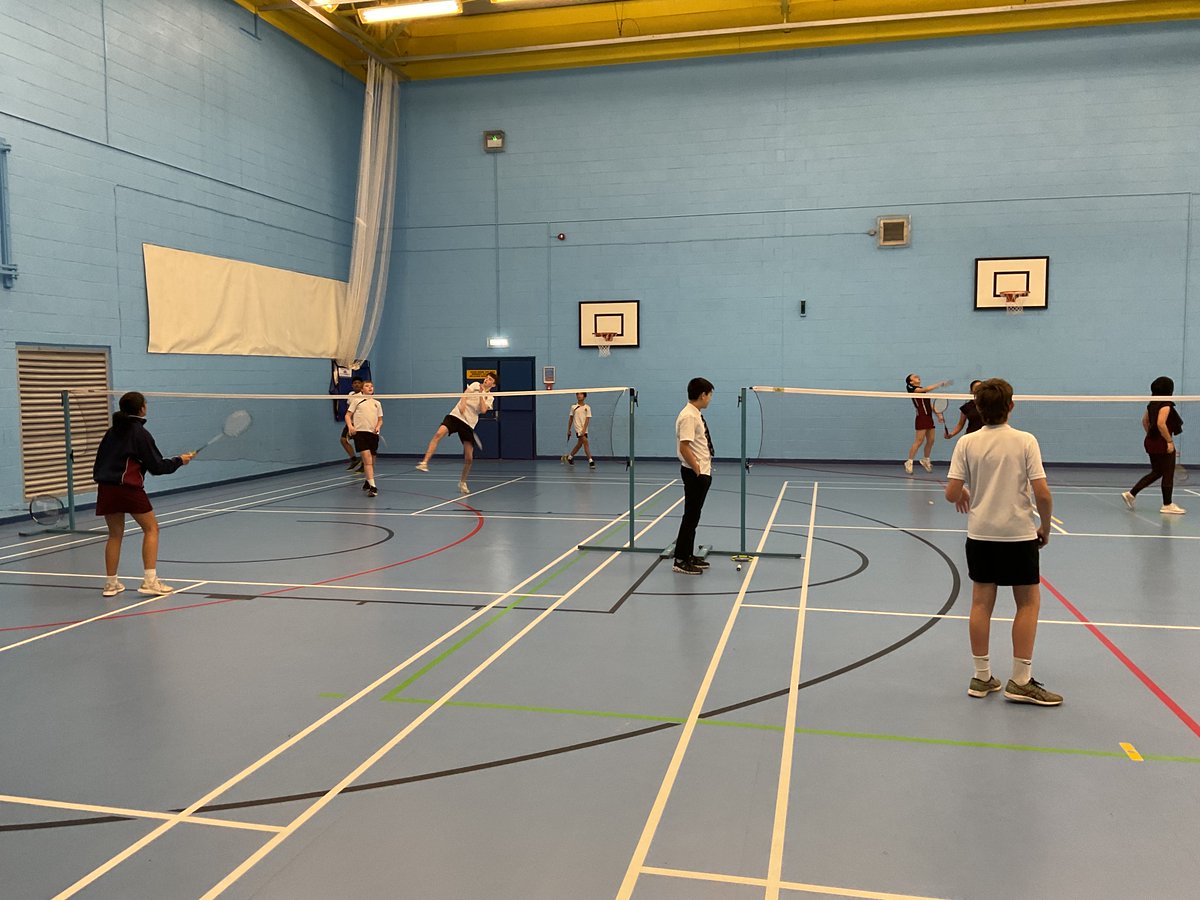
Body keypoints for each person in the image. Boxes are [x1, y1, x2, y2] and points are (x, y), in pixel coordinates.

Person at [944, 378, 1062, 706]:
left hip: (980, 536)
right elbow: (1042, 493)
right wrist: (1046, 527)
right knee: (1028, 603)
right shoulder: (1025, 441)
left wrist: (964, 492)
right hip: (1018, 536)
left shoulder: (966, 444)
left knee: (981, 604)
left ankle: (982, 678)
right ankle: (1021, 681)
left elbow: (952, 492)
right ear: (1011, 406)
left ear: (977, 409)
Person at [92, 391, 194, 597]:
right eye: (145, 403)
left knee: (114, 534)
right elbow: (156, 466)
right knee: (151, 529)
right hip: (128, 489)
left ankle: (111, 584)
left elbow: (100, 461)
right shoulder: (139, 433)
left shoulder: (112, 432)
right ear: (141, 409)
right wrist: (179, 461)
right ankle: (150, 581)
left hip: (106, 488)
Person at [415, 372, 496, 494]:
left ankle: (462, 482)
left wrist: (481, 395)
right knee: (438, 434)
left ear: (493, 384)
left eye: (490, 379)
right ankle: (424, 462)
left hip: (468, 424)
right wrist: (462, 403)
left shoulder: (490, 397)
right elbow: (464, 394)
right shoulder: (474, 385)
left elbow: (483, 410)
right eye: (486, 378)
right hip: (456, 416)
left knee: (469, 458)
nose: (486, 380)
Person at [1122, 375, 1185, 515]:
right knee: (1168, 473)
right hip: (1162, 442)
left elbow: (1145, 421)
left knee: (1157, 471)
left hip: (1151, 441)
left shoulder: (1152, 404)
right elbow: (1160, 423)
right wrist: (1169, 441)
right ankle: (1167, 504)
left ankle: (1131, 494)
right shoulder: (1166, 404)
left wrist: (1151, 435)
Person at [672, 377, 714, 575]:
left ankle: (688, 555)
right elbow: (684, 446)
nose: (710, 399)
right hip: (694, 473)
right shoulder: (688, 416)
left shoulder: (695, 414)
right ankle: (680, 559)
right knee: (690, 516)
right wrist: (697, 469)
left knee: (694, 516)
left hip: (701, 471)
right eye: (709, 395)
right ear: (702, 395)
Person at [904, 373, 950, 473]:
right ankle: (909, 461)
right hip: (921, 417)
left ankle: (925, 459)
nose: (918, 377)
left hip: (929, 417)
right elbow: (924, 390)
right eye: (915, 377)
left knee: (931, 440)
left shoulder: (922, 390)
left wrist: (938, 415)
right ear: (911, 382)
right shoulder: (911, 389)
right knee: (919, 441)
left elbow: (929, 404)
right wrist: (939, 384)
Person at [346, 380, 383, 497]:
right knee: (367, 461)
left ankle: (368, 481)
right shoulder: (356, 401)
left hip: (373, 434)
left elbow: (380, 419)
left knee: (372, 461)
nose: (370, 388)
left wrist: (377, 427)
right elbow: (347, 415)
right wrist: (350, 427)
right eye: (367, 386)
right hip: (360, 434)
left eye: (372, 386)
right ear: (362, 389)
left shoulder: (377, 403)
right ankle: (373, 487)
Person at [562, 392, 594, 468]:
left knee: (579, 444)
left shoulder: (588, 407)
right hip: (578, 428)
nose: (579, 396)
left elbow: (587, 420)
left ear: (584, 396)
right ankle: (590, 460)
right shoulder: (573, 407)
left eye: (581, 394)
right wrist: (569, 429)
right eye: (578, 394)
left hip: (584, 429)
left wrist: (584, 430)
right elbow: (570, 419)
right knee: (585, 442)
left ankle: (570, 457)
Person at [339, 378, 365, 471]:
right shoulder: (350, 394)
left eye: (359, 383)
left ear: (362, 384)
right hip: (350, 423)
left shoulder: (364, 395)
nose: (357, 385)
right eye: (355, 383)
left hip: (360, 423)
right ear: (352, 385)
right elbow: (348, 408)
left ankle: (364, 464)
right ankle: (354, 459)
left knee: (361, 445)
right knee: (343, 440)